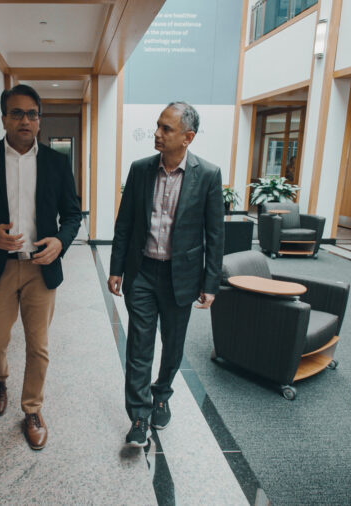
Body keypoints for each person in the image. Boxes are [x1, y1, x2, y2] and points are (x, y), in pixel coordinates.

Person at [0, 84, 81, 450]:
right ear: (4, 118)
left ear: (39, 120)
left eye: (32, 114)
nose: (25, 120)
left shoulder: (57, 162)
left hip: (41, 268)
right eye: (17, 113)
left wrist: (60, 241)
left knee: (38, 345)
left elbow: (73, 214)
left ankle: (32, 408)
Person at [107, 102, 224, 447]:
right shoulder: (140, 169)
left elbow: (214, 235)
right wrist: (116, 268)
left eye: (166, 129)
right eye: (158, 126)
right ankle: (140, 417)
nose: (157, 134)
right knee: (139, 347)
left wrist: (210, 283)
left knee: (172, 345)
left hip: (181, 277)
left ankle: (162, 394)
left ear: (187, 137)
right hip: (142, 272)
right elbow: (124, 223)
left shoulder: (208, 175)